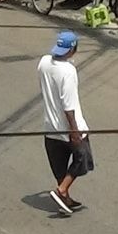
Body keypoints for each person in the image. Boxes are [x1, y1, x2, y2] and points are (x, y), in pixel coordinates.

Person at [37, 29, 93, 216]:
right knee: (82, 159)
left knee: (60, 167)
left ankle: (65, 198)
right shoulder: (68, 71)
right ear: (73, 49)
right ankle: (61, 191)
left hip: (50, 128)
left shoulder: (44, 62)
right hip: (69, 128)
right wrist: (74, 132)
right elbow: (68, 106)